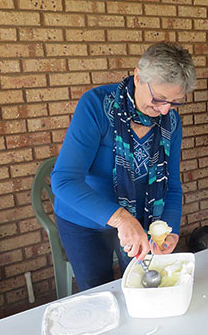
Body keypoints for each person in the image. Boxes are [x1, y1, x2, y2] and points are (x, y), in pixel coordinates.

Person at [51, 43, 196, 291]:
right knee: (99, 291)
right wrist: (120, 218)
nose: (164, 110)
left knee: (143, 287)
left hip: (141, 218)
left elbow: (171, 184)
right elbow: (64, 181)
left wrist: (170, 230)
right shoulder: (97, 105)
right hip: (85, 219)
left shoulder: (170, 120)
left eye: (175, 102)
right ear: (138, 77)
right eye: (159, 99)